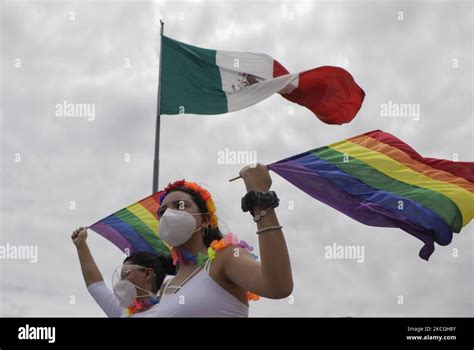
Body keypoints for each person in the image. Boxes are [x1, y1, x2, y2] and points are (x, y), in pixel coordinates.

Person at [151, 163, 293, 317]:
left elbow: (278, 286)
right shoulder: (166, 287)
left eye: (180, 205)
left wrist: (260, 197)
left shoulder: (224, 257)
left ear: (205, 219)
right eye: (162, 211)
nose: (168, 214)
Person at [71, 226, 175, 317]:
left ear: (148, 274)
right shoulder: (122, 312)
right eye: (121, 277)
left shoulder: (169, 311)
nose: (121, 282)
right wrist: (81, 244)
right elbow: (96, 285)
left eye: (126, 275)